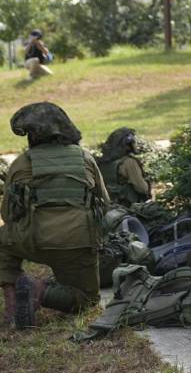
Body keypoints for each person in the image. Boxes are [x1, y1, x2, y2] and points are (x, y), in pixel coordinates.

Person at [0, 102, 109, 328]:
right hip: (77, 243)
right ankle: (40, 291)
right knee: (87, 301)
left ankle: (12, 302)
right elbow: (104, 202)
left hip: (32, 240)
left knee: (2, 241)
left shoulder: (21, 164)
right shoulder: (85, 158)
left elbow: (8, 213)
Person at [97, 127, 152, 206]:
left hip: (106, 207)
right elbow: (142, 188)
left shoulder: (102, 163)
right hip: (128, 208)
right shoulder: (129, 163)